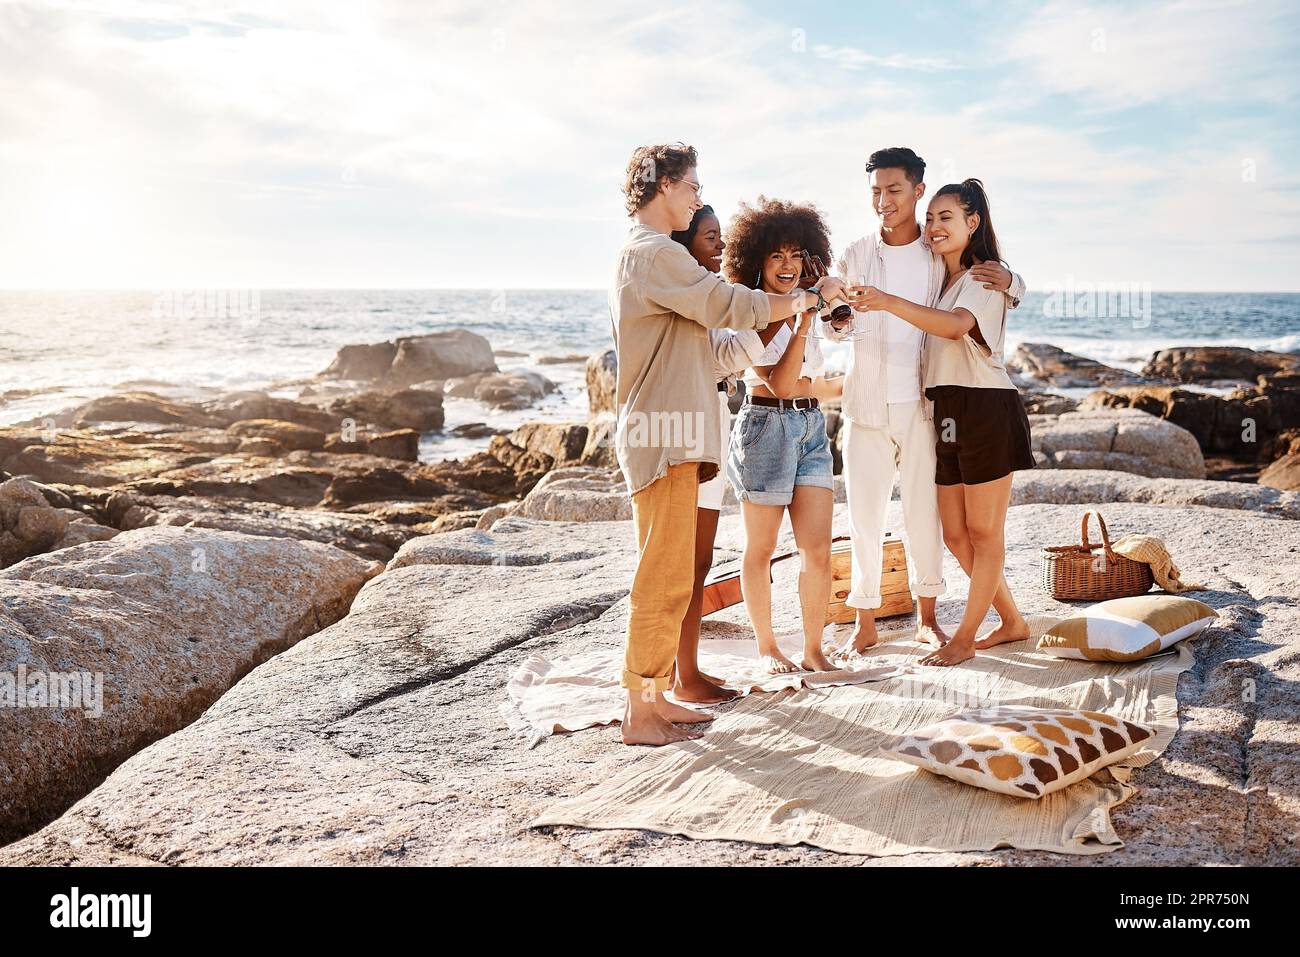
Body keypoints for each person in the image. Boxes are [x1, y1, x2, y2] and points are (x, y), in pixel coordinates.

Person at [611, 144, 845, 744]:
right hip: (662, 434)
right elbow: (726, 303)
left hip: (679, 433)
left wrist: (792, 319)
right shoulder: (653, 253)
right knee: (661, 575)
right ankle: (641, 711)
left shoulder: (660, 257)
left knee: (672, 576)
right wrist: (803, 300)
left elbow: (715, 350)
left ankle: (657, 697)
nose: (696, 195)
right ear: (663, 185)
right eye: (691, 185)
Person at [825, 147, 1025, 660]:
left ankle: (943, 628)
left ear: (916, 190)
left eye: (894, 190)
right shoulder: (868, 254)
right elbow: (834, 314)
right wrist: (834, 307)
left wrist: (1013, 280)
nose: (883, 200)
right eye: (875, 191)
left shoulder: (958, 265)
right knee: (900, 523)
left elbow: (967, 311)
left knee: (949, 524)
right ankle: (870, 621)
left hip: (945, 407)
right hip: (895, 405)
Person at [723, 197, 844, 674]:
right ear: (757, 261)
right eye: (776, 256)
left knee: (818, 549)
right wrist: (801, 321)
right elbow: (778, 381)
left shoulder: (810, 303)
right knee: (763, 549)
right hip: (765, 427)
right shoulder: (750, 312)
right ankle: (768, 647)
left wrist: (831, 301)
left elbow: (838, 341)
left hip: (812, 427)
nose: (788, 265)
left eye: (796, 254)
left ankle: (813, 648)